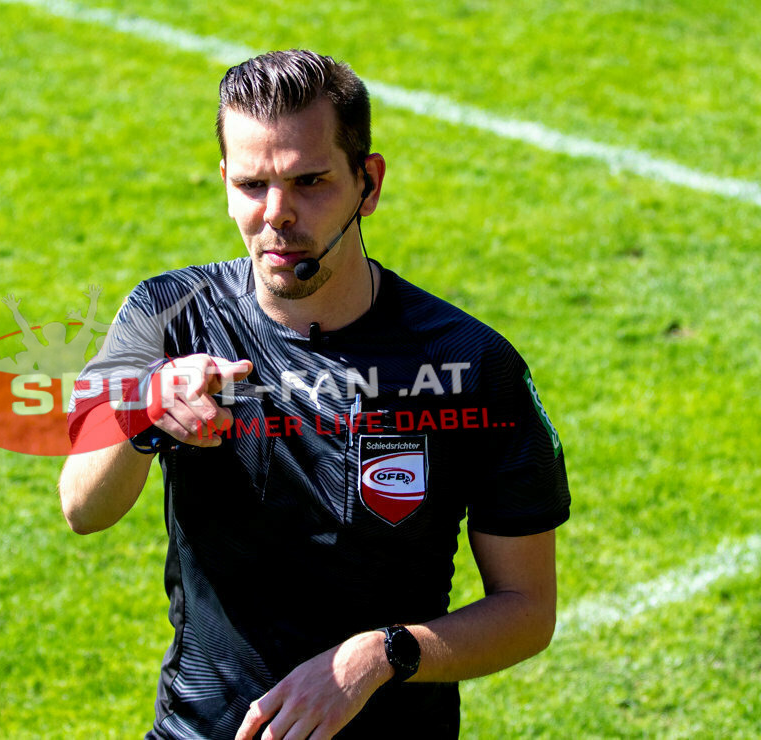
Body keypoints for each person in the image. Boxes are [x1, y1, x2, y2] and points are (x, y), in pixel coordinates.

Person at [59, 49, 570, 739]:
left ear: (369, 183)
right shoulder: (166, 316)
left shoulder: (470, 363)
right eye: (252, 185)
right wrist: (144, 411)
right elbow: (82, 508)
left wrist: (379, 657)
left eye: (310, 182)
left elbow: (528, 609)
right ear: (224, 182)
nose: (277, 215)